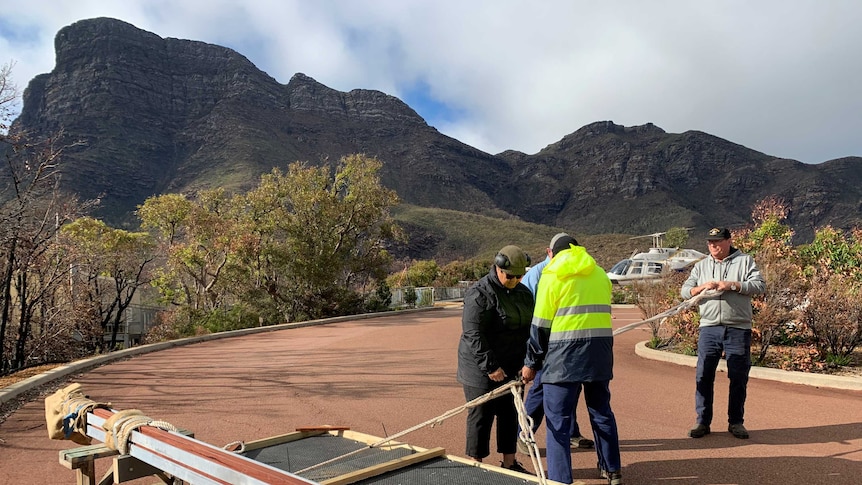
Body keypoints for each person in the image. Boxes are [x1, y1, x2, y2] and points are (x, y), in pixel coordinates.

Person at [520, 235, 622, 485]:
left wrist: (531, 363)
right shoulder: (599, 274)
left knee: (558, 423)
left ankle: (560, 479)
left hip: (563, 359)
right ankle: (612, 471)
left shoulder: (552, 275)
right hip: (599, 356)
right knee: (601, 413)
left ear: (551, 252)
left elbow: (540, 325)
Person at [681, 227, 765, 440]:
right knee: (703, 375)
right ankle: (702, 422)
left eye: (717, 241)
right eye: (710, 242)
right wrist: (701, 288)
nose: (713, 246)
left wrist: (733, 285)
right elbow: (685, 291)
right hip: (709, 328)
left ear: (729, 241)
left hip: (738, 328)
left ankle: (736, 422)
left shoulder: (745, 261)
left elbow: (759, 286)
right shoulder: (701, 266)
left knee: (738, 377)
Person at [457, 245, 535, 474]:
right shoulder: (479, 293)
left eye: (519, 276)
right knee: (481, 416)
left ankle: (510, 462)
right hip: (480, 369)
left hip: (512, 364)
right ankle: (476, 465)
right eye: (510, 276)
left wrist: (529, 362)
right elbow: (473, 334)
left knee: (510, 412)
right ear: (498, 268)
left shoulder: (523, 293)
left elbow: (530, 330)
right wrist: (491, 367)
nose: (514, 280)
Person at [519, 233, 594, 453]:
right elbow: (528, 311)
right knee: (541, 389)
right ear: (548, 252)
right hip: (545, 344)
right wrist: (532, 354)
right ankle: (523, 434)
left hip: (568, 345)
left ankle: (571, 432)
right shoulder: (538, 274)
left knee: (569, 389)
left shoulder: (577, 271)